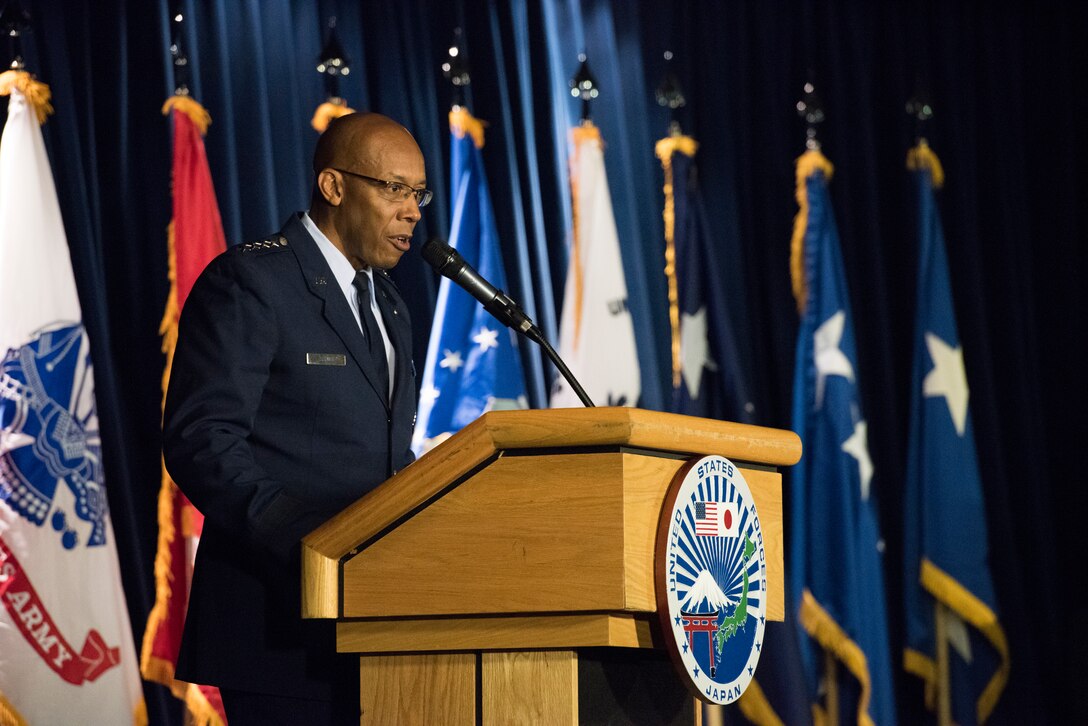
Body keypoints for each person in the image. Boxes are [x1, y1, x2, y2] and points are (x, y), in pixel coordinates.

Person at [163, 112, 428, 724]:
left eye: (418, 193)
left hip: (375, 625)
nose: (412, 210)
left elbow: (385, 455)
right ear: (334, 187)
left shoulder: (388, 302)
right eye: (394, 188)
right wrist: (311, 541)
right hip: (276, 625)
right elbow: (202, 440)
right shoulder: (253, 281)